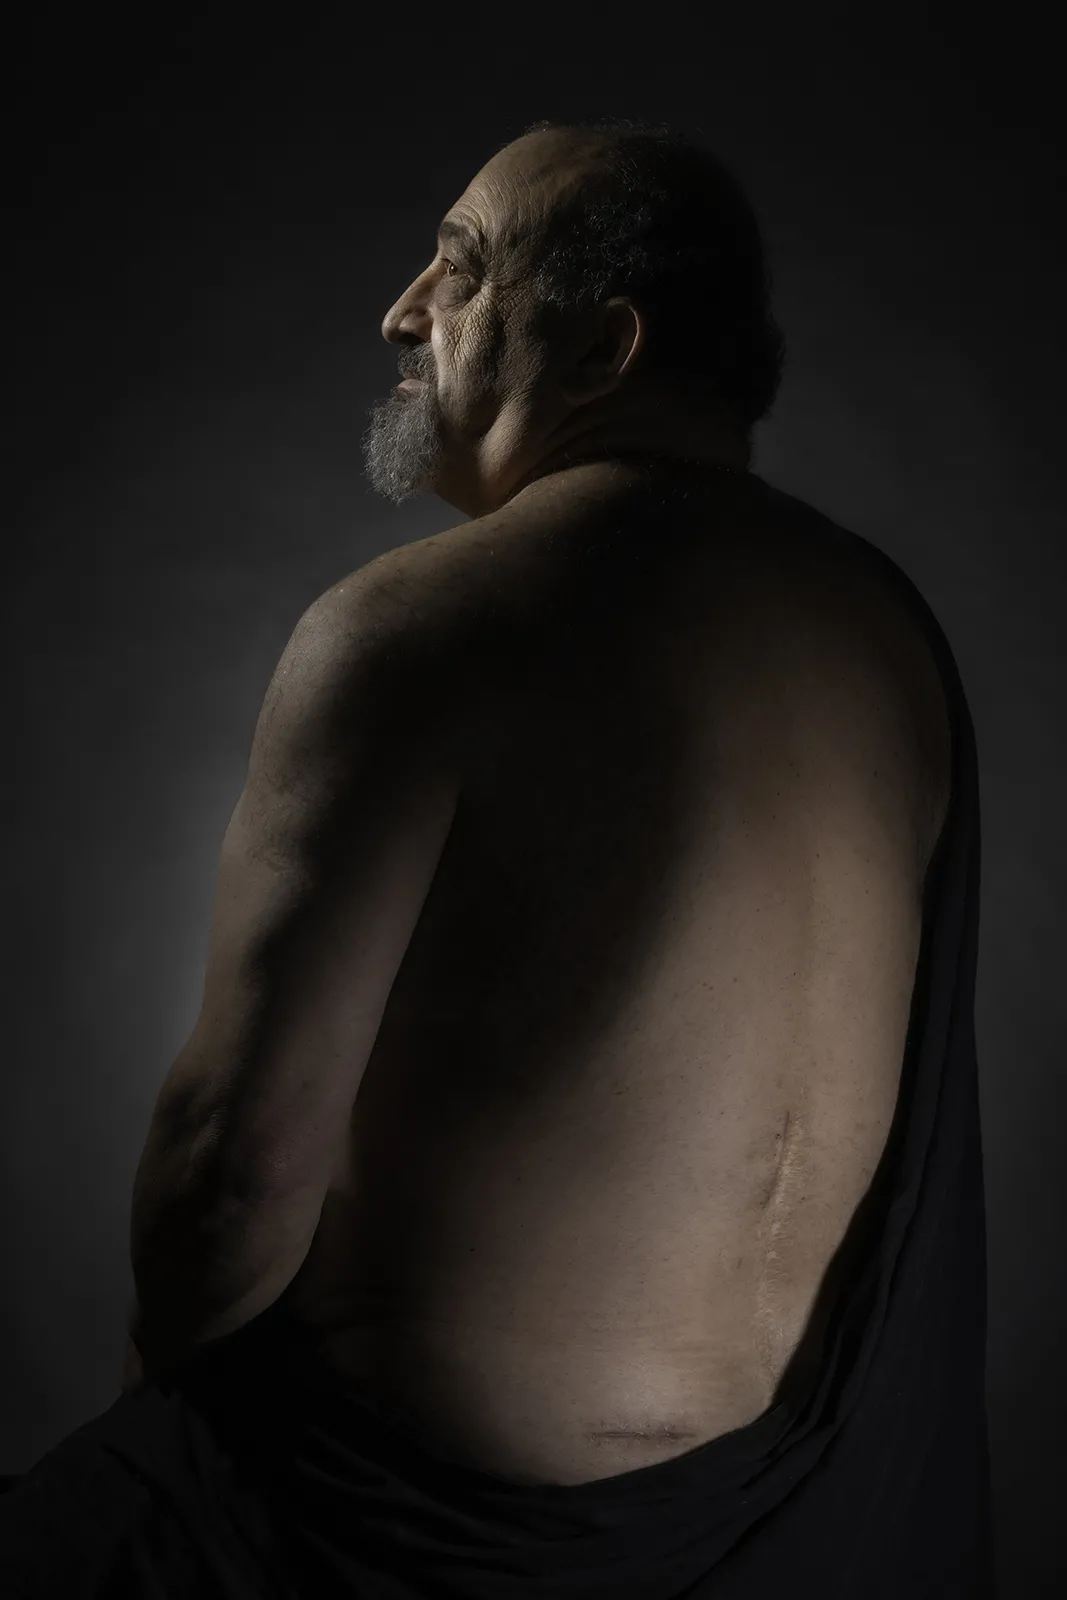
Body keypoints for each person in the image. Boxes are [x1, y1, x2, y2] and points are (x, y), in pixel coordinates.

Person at [1, 117, 994, 1597]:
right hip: (779, 1531)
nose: (403, 313)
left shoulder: (425, 625)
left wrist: (158, 1412)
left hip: (381, 1522)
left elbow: (234, 1167)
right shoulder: (887, 635)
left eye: (459, 270)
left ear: (603, 348)